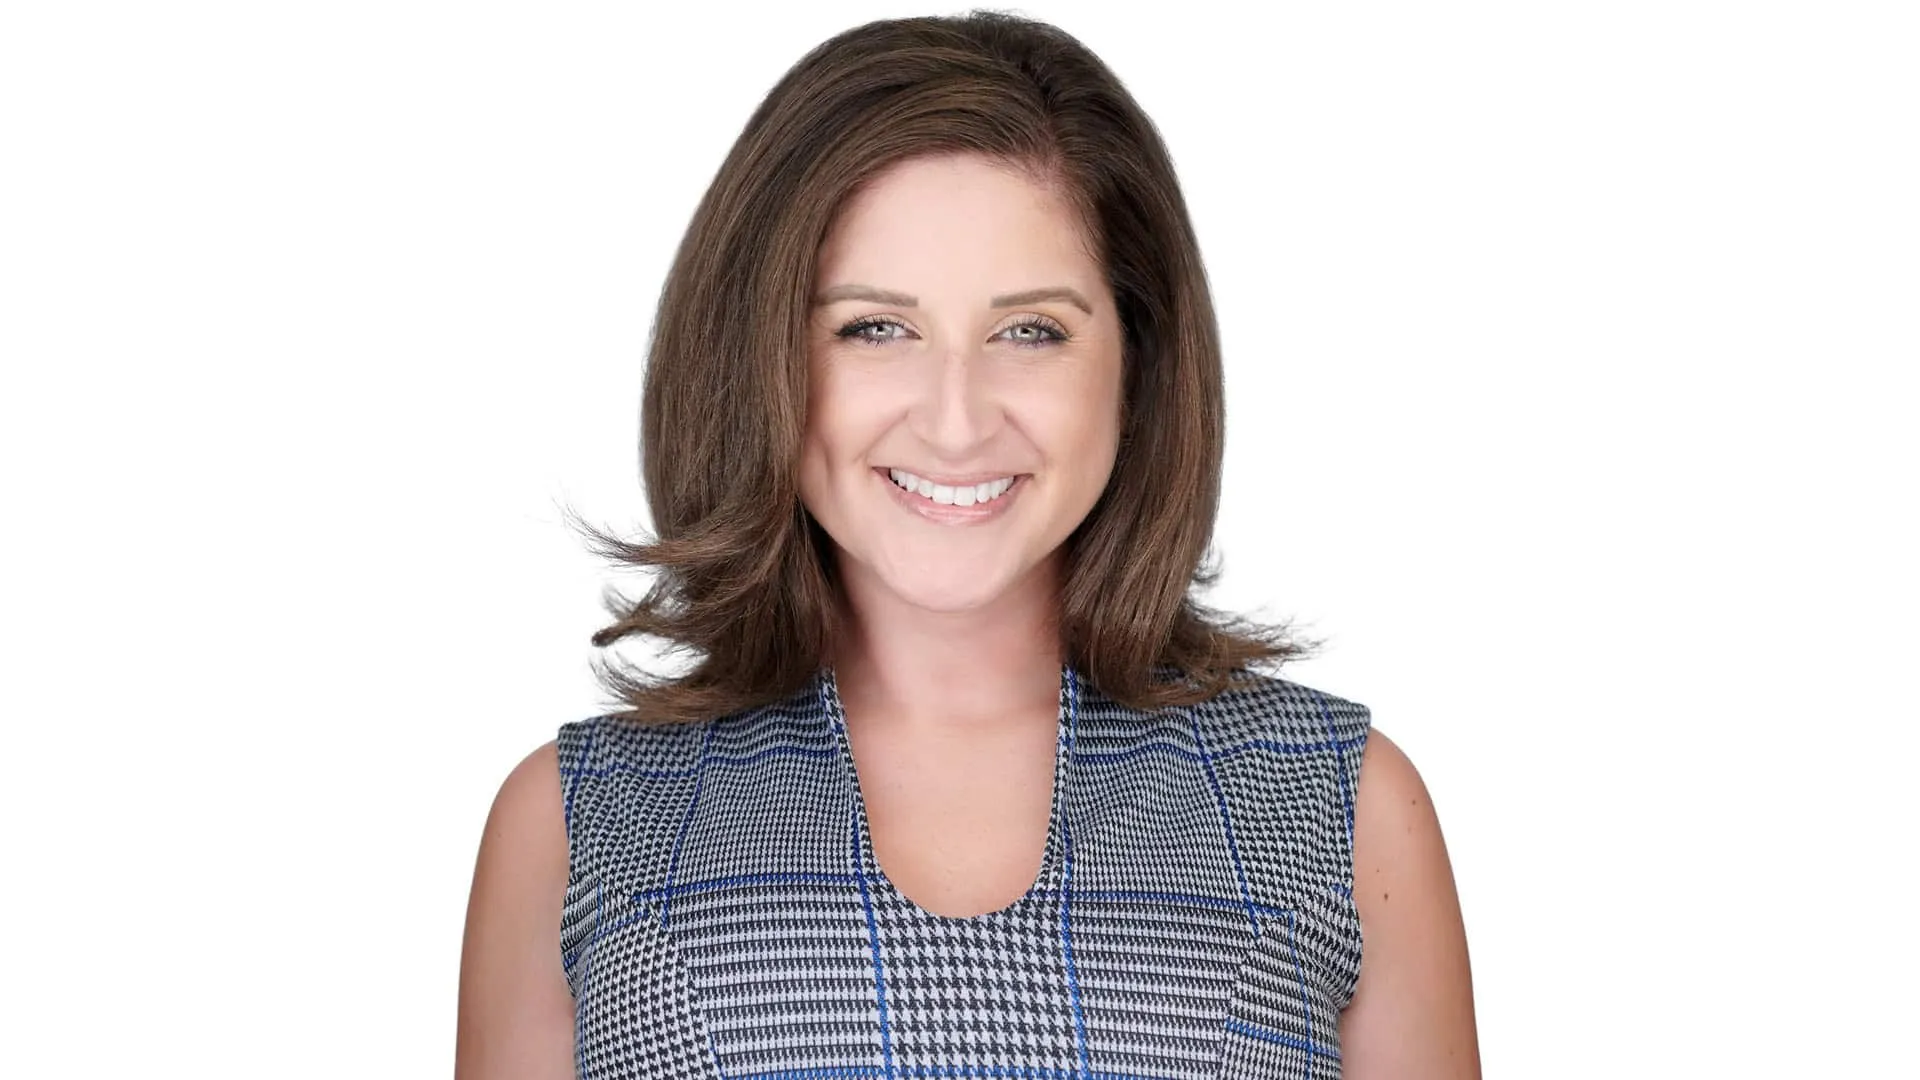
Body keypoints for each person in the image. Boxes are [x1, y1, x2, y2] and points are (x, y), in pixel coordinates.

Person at [456, 11, 1478, 1079]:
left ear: (1137, 362)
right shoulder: (580, 826)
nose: (954, 420)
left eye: (1029, 331)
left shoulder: (1342, 809)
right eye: (874, 328)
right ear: (757, 354)